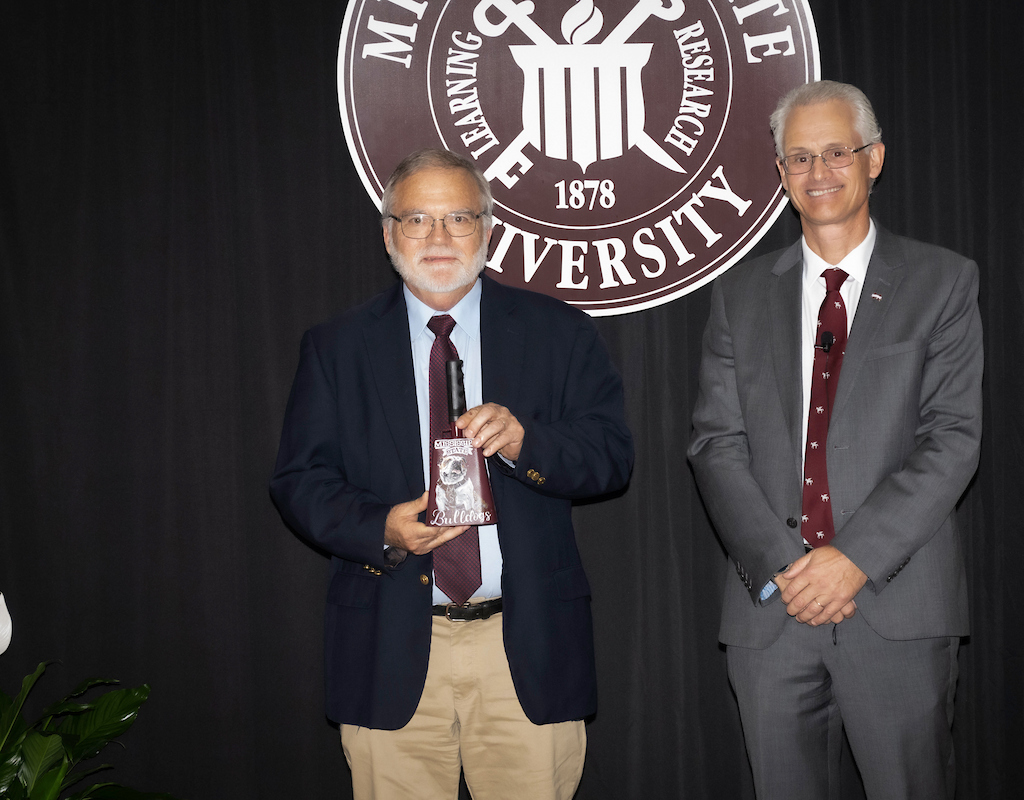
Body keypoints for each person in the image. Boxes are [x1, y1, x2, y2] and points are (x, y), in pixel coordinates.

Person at [270, 148, 633, 800]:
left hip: (525, 645)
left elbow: (612, 456)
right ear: (388, 234)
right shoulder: (335, 347)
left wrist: (527, 443)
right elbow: (299, 479)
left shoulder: (560, 333)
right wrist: (379, 527)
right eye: (417, 220)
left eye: (458, 218)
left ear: (487, 230)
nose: (438, 238)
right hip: (389, 642)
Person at [688, 80, 983, 799]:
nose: (818, 173)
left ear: (874, 159)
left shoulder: (942, 281)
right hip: (773, 612)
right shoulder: (740, 295)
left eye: (835, 153)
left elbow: (951, 439)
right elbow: (714, 443)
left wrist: (850, 561)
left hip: (897, 610)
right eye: (798, 158)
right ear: (782, 173)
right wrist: (793, 568)